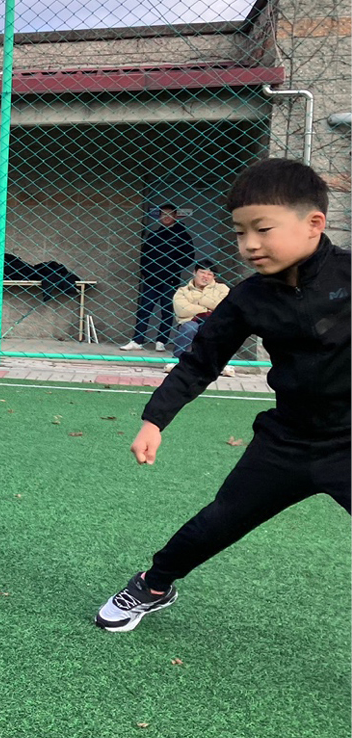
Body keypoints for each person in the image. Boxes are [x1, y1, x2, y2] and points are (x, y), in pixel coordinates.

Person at [96, 158, 349, 633]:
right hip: (286, 445)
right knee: (220, 520)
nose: (249, 244)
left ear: (314, 224)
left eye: (263, 229)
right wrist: (155, 420)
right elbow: (200, 361)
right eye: (239, 232)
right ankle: (154, 584)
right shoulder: (249, 298)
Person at [121, 204, 194, 352]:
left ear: (175, 216)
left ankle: (161, 341)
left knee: (167, 310)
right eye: (163, 214)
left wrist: (173, 270)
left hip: (170, 280)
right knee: (144, 309)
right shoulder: (153, 235)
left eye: (169, 214)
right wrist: (147, 272)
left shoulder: (183, 236)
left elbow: (189, 257)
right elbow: (145, 256)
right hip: (151, 280)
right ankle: (137, 340)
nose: (166, 217)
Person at [163, 261, 233, 376]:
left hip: (213, 322)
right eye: (202, 272)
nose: (205, 276)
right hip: (191, 321)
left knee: (223, 328)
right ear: (194, 272)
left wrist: (200, 300)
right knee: (190, 327)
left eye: (210, 274)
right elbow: (182, 310)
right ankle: (177, 360)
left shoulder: (222, 288)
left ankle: (221, 363)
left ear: (214, 277)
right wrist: (207, 309)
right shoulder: (183, 291)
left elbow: (224, 306)